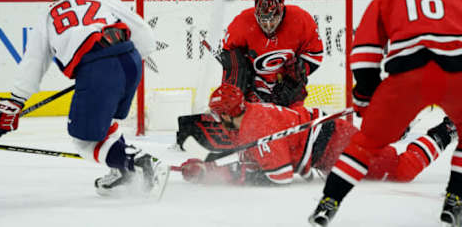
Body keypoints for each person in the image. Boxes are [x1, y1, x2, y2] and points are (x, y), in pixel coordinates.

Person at [308, 0, 462, 227]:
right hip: (456, 72)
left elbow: (365, 56)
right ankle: (456, 198)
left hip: (407, 78)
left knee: (365, 145)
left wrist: (367, 98)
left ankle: (328, 203)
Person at [0, 0, 170, 198]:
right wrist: (115, 67)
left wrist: (16, 101)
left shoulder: (49, 13)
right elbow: (145, 35)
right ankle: (122, 173)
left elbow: (33, 62)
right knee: (103, 123)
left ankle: (141, 163)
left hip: (99, 70)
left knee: (84, 140)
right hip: (131, 62)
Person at [179, 84, 457, 186]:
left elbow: (279, 175)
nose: (216, 119)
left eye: (218, 114)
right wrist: (209, 169)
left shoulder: (254, 127)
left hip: (335, 146)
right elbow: (254, 159)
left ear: (228, 113)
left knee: (401, 170)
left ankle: (447, 128)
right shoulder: (247, 116)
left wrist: (239, 177)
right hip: (328, 142)